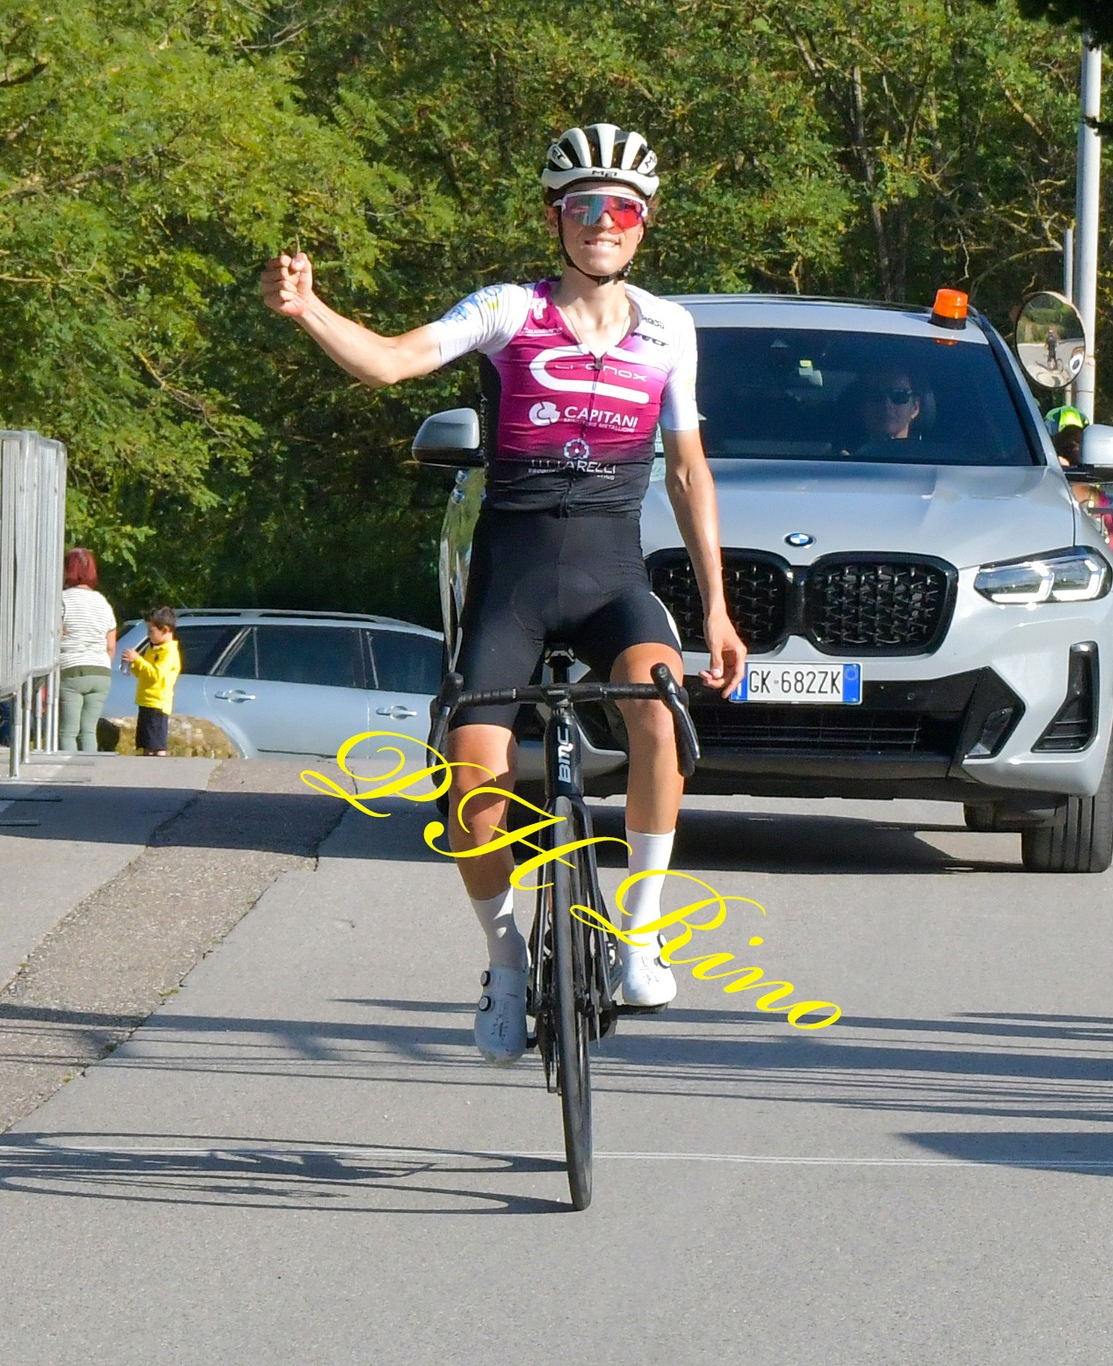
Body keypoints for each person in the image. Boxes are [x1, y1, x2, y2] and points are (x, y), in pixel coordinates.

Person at [260, 121, 746, 1064]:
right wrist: (311, 311)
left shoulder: (669, 328)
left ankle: (639, 935)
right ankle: (507, 961)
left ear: (644, 224)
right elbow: (396, 360)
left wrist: (717, 609)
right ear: (554, 219)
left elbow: (688, 471)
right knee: (474, 777)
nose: (602, 223)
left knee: (658, 709)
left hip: (613, 576)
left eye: (621, 209)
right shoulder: (508, 309)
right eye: (582, 207)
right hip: (512, 581)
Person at [56, 548, 118, 752]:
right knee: (89, 731)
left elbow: (57, 635)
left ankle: (67, 779)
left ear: (68, 570)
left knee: (68, 732)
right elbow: (110, 645)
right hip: (101, 672)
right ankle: (90, 780)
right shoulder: (103, 603)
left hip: (73, 670)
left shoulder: (63, 600)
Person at [122, 607, 181, 757]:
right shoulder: (153, 649)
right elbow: (145, 674)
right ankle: (147, 768)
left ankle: (159, 769)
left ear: (165, 629)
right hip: (145, 701)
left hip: (158, 703)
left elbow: (156, 675)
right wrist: (133, 665)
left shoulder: (168, 652)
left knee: (157, 744)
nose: (149, 635)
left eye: (151, 631)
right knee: (146, 744)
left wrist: (138, 660)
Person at [857, 370, 922, 442]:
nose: (886, 404)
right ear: (862, 406)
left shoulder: (928, 453)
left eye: (899, 395)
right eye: (875, 395)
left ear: (915, 407)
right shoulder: (847, 452)